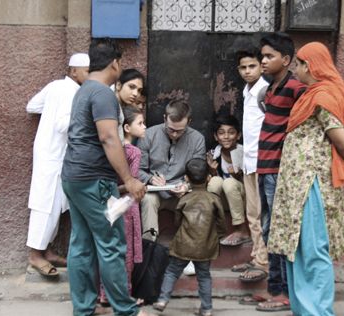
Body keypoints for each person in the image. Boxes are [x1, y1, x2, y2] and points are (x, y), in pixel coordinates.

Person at [61, 38, 152, 316]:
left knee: (82, 244)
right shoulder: (102, 94)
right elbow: (109, 137)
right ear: (115, 63)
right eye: (121, 63)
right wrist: (130, 179)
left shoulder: (84, 89)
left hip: (74, 177)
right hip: (95, 181)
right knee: (112, 245)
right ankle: (125, 310)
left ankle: (84, 308)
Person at [267, 41, 344, 315]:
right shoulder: (310, 95)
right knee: (297, 250)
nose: (296, 69)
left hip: (310, 185)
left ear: (310, 66)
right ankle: (303, 309)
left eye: (299, 64)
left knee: (313, 250)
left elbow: (342, 141)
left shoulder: (322, 97)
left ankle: (319, 311)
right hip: (297, 185)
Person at [25, 53, 89, 277]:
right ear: (74, 71)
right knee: (47, 205)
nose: (89, 75)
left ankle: (48, 250)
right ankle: (35, 255)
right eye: (87, 71)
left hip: (46, 151)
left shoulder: (54, 87)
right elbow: (63, 125)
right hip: (54, 155)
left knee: (57, 203)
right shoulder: (73, 93)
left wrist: (49, 112)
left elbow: (32, 106)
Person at [255, 33, 306, 312]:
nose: (263, 61)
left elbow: (314, 106)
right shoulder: (272, 87)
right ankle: (275, 288)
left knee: (278, 231)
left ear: (286, 60)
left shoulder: (296, 87)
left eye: (269, 56)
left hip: (277, 170)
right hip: (265, 168)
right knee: (268, 230)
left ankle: (284, 293)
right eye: (262, 55)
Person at [152, 158, 227, 316]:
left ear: (186, 178)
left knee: (172, 271)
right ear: (208, 178)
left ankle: (162, 300)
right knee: (204, 276)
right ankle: (206, 309)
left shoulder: (184, 200)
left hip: (184, 244)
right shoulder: (215, 200)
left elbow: (177, 221)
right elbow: (221, 224)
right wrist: (216, 236)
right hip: (206, 245)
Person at [226, 47, 271, 287]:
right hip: (250, 160)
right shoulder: (248, 91)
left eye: (251, 66)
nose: (247, 71)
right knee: (252, 213)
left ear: (260, 66)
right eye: (243, 67)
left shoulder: (264, 90)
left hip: (262, 161)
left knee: (260, 213)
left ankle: (262, 261)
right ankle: (256, 255)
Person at [137, 99, 206, 242]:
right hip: (155, 192)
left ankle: (190, 250)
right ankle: (149, 247)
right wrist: (150, 179)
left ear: (189, 122)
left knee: (194, 200)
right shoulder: (148, 135)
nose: (174, 134)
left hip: (182, 192)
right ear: (164, 119)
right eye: (171, 129)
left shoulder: (197, 139)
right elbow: (138, 170)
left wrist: (186, 186)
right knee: (148, 200)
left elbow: (199, 173)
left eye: (180, 131)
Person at [99, 106, 146, 306]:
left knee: (108, 250)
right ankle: (124, 295)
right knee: (125, 253)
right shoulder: (133, 152)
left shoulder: (108, 149)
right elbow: (131, 182)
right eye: (140, 123)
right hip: (125, 206)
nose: (144, 127)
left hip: (106, 204)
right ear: (127, 127)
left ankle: (103, 294)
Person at [206, 115, 247, 246]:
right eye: (221, 133)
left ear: (238, 135)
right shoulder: (213, 154)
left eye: (231, 132)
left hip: (242, 199)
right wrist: (212, 172)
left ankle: (240, 229)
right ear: (216, 136)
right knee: (215, 181)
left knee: (229, 183)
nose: (226, 136)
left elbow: (250, 185)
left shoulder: (245, 153)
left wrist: (237, 175)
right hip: (223, 200)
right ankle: (215, 227)